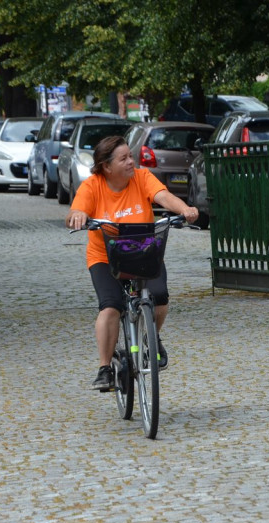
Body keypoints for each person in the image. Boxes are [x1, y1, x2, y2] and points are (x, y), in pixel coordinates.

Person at [65, 135, 199, 391]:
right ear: (106, 166)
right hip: (105, 258)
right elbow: (75, 211)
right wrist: (78, 215)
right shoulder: (92, 185)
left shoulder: (141, 178)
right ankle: (105, 368)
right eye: (123, 158)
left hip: (144, 253)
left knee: (159, 296)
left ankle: (151, 336)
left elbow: (163, 196)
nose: (131, 162)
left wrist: (184, 209)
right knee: (111, 306)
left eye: (130, 156)